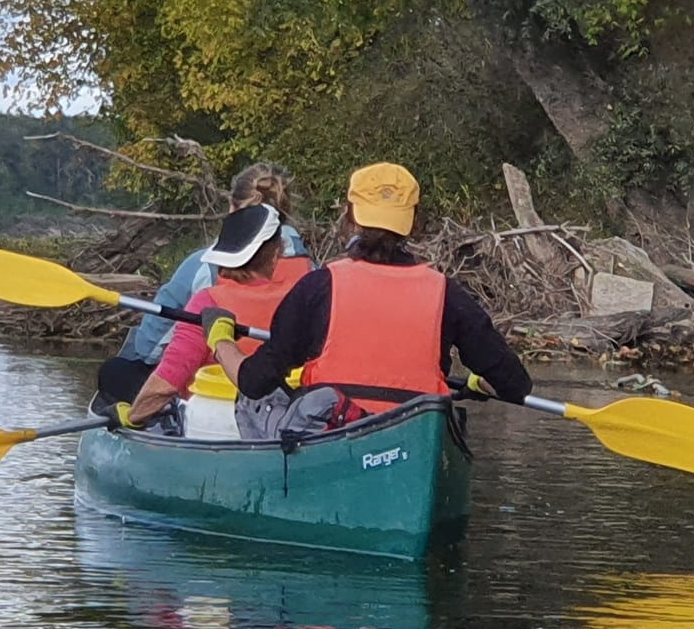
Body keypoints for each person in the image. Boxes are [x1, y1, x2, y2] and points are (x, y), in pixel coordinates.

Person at [206, 162, 531, 434]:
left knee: (254, 401)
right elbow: (515, 385)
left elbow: (252, 382)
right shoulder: (448, 293)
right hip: (414, 434)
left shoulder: (318, 287)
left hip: (333, 434)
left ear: (350, 216)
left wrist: (220, 340)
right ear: (414, 223)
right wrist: (477, 384)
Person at [96, 162, 312, 404]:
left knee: (114, 372)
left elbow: (149, 348)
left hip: (212, 393)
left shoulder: (202, 266)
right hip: (288, 391)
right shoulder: (314, 271)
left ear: (232, 207)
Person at [111, 204, 308, 430]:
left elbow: (167, 384)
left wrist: (133, 417)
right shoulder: (301, 296)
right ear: (276, 255)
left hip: (213, 418)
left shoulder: (208, 302)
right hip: (284, 413)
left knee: (114, 372)